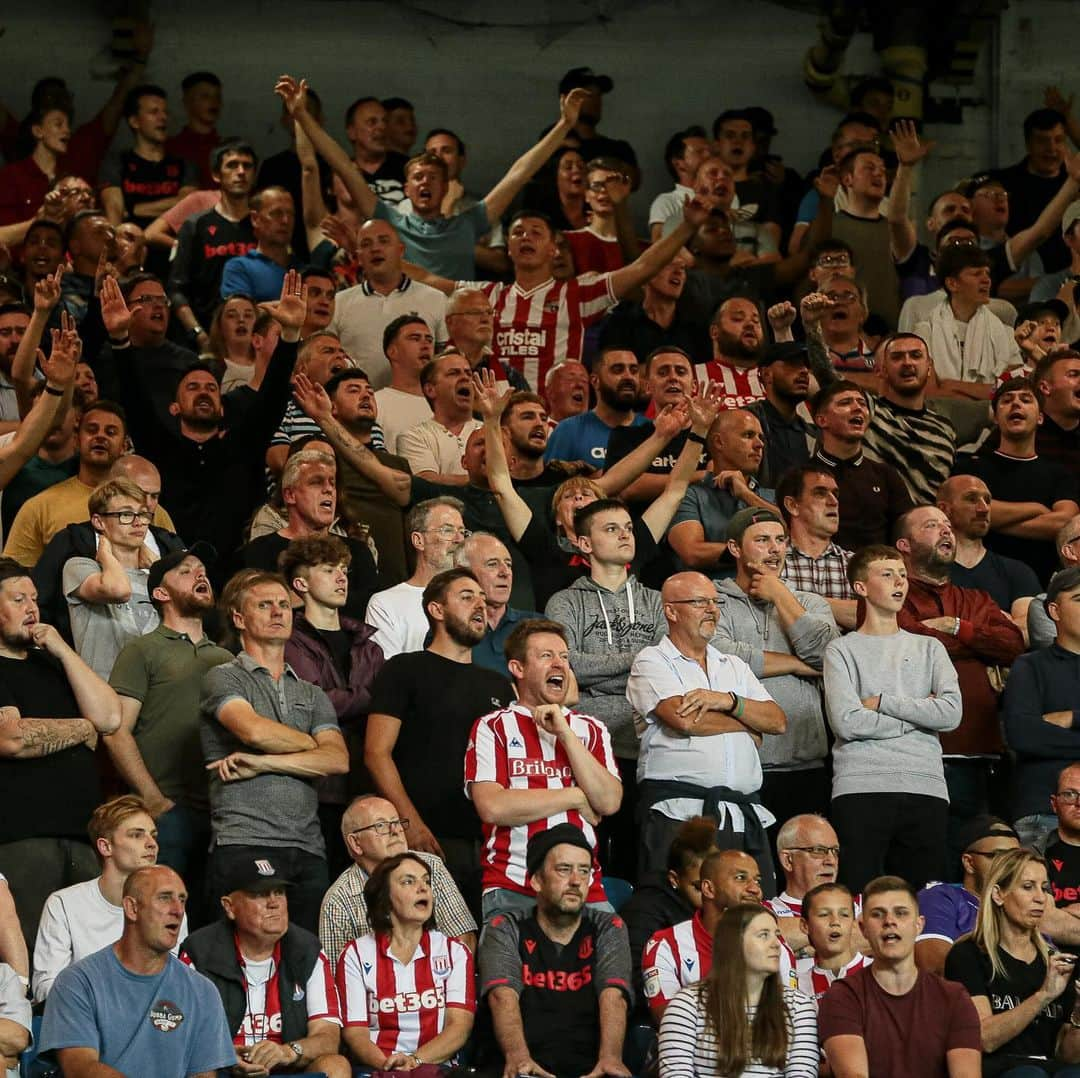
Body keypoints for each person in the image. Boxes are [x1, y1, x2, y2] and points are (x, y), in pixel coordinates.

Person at [99, 270, 306, 567]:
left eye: (211, 387)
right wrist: (120, 338)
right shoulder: (160, 447)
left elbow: (272, 399)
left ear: (223, 409)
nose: (204, 392)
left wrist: (289, 337)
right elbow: (135, 398)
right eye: (192, 388)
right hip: (168, 570)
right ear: (174, 407)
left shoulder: (242, 448)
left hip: (239, 574)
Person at [201, 570, 348, 932]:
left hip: (308, 845)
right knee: (243, 954)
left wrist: (263, 763)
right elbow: (252, 730)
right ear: (239, 618)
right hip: (245, 838)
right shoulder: (224, 676)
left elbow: (338, 760)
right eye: (264, 605)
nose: (278, 612)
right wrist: (312, 743)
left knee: (305, 957)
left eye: (284, 605)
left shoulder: (312, 693)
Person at [627, 571, 786, 886]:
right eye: (700, 602)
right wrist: (745, 726)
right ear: (671, 611)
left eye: (715, 602)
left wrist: (726, 701)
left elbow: (776, 721)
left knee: (748, 916)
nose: (712, 610)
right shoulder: (653, 661)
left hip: (741, 815)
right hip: (678, 814)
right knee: (676, 907)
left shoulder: (734, 666)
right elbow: (686, 721)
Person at [366, 567, 513, 902]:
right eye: (466, 596)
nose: (481, 604)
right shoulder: (404, 669)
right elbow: (376, 752)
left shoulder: (499, 684)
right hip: (427, 835)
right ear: (436, 609)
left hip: (490, 839)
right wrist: (409, 823)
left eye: (481, 597)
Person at [0, 556, 121, 957]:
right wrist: (80, 729)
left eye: (34, 598)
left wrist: (61, 648)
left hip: (81, 835)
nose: (32, 608)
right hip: (21, 837)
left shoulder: (51, 664)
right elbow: (12, 738)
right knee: (34, 956)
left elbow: (108, 717)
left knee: (88, 957)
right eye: (19, 599)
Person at [824, 545, 962, 893]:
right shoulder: (841, 649)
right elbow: (847, 722)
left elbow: (950, 713)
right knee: (859, 898)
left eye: (902, 575)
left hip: (924, 786)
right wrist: (918, 714)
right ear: (860, 587)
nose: (899, 582)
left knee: (924, 903)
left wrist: (885, 703)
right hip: (861, 787)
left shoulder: (930, 648)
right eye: (887, 574)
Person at [465, 619, 623, 919]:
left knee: (615, 960)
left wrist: (564, 732)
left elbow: (609, 801)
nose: (559, 664)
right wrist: (577, 797)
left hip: (587, 890)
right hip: (512, 886)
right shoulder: (492, 726)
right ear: (518, 668)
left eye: (564, 657)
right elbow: (493, 806)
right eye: (546, 656)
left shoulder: (591, 729)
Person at [895, 506, 1026, 846]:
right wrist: (979, 640)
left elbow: (1012, 644)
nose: (946, 531)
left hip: (987, 754)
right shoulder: (894, 598)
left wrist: (956, 626)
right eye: (931, 525)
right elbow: (909, 644)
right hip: (928, 755)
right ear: (904, 545)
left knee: (988, 859)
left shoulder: (976, 598)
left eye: (948, 525)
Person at [104, 546, 230, 893]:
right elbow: (116, 731)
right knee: (161, 909)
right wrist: (152, 798)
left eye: (202, 569)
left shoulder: (225, 658)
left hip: (222, 812)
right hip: (168, 810)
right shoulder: (143, 649)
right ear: (160, 592)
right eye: (186, 571)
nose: (200, 575)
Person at [37, 865, 236, 1078]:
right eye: (165, 898)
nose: (178, 910)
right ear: (132, 908)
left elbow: (203, 1075)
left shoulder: (202, 991)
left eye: (182, 899)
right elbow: (81, 1069)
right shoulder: (78, 982)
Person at [711, 507, 838, 828]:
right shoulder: (714, 600)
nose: (775, 548)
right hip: (740, 762)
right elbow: (722, 657)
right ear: (735, 548)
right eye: (763, 540)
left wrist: (780, 593)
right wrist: (796, 664)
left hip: (806, 764)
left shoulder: (809, 602)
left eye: (781, 540)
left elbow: (826, 655)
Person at [479, 824, 633, 1078]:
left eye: (584, 871)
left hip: (590, 1070)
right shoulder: (505, 927)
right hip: (520, 1069)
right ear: (536, 880)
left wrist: (611, 1058)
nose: (576, 881)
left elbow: (613, 995)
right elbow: (501, 996)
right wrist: (518, 1057)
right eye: (564, 869)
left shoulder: (609, 926)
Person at [180, 855, 349, 1078]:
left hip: (286, 1069)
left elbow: (328, 1036)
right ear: (229, 907)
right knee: (201, 1071)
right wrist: (225, 1055)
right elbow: (182, 1035)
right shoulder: (199, 953)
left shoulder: (308, 951)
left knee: (336, 1066)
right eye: (259, 894)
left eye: (279, 892)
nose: (274, 902)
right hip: (225, 1069)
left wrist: (288, 1051)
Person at [279, 534, 385, 874]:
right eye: (328, 570)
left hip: (365, 780)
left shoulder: (368, 643)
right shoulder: (288, 640)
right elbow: (315, 702)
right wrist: (372, 698)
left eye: (343, 569)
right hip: (318, 789)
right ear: (300, 583)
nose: (342, 577)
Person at [818, 874, 982, 1078]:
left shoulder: (954, 998)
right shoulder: (843, 996)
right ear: (863, 929)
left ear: (919, 925)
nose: (889, 922)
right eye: (878, 914)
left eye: (901, 913)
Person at [32, 795, 184, 1002]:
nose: (152, 844)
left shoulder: (171, 906)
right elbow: (45, 988)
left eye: (153, 835)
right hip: (81, 1021)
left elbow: (175, 981)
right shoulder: (63, 904)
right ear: (105, 847)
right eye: (137, 835)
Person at [944, 848, 1080, 1077]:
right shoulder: (968, 955)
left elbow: (1067, 1056)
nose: (1041, 898)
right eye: (1028, 887)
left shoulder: (1055, 961)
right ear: (998, 894)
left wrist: (1078, 1013)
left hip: (1049, 1068)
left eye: (1044, 888)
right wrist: (1043, 996)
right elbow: (983, 1038)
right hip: (997, 1068)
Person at [335, 851, 474, 1070]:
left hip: (437, 1069)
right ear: (385, 897)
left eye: (426, 881)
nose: (423, 887)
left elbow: (459, 1027)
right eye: (408, 881)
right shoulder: (355, 954)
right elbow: (356, 1033)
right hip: (377, 1069)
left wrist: (414, 1061)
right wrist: (389, 1065)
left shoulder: (455, 952)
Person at [657, 903, 818, 1078]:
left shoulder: (799, 1006)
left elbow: (802, 1075)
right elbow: (675, 1074)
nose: (776, 944)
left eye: (777, 935)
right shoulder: (687, 1004)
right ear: (733, 943)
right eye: (763, 935)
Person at [319, 795, 476, 974]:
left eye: (397, 822)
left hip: (439, 988)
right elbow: (338, 976)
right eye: (380, 825)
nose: (395, 831)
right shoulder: (338, 901)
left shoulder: (431, 867)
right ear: (356, 843)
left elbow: (463, 939)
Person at [956, 375, 1080, 586]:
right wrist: (1036, 508)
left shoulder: (1060, 474)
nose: (1016, 403)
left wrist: (988, 522)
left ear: (1040, 417)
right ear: (995, 417)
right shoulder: (969, 467)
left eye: (1025, 399)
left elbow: (1064, 524)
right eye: (1007, 400)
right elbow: (962, 511)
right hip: (974, 580)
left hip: (1042, 585)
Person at [239, 448, 379, 622]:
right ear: (290, 495)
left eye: (332, 483)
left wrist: (305, 598)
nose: (329, 490)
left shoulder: (357, 550)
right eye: (316, 482)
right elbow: (260, 608)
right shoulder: (261, 550)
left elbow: (370, 607)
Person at [643, 849, 776, 1021]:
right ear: (708, 888)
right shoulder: (667, 946)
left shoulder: (775, 945)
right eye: (741, 878)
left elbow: (786, 1020)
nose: (755, 889)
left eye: (757, 881)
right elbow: (671, 1021)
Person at [1005, 566, 1080, 847]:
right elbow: (1023, 734)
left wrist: (1072, 717)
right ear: (1054, 611)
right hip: (1043, 812)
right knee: (1037, 892)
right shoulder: (1030, 665)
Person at [329, 219, 448, 388]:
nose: (375, 249)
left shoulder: (435, 299)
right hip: (357, 408)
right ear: (359, 257)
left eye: (383, 241)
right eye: (366, 244)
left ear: (400, 250)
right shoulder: (338, 303)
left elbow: (443, 361)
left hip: (421, 405)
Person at [61, 477, 159, 679]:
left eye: (142, 514)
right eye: (125, 514)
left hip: (157, 691)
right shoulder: (80, 567)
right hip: (107, 692)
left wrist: (159, 570)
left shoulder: (156, 577)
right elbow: (119, 590)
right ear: (99, 522)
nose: (138, 522)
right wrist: (104, 552)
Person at [622, 817, 718, 1014]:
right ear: (675, 879)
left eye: (716, 885)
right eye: (700, 887)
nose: (710, 894)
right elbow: (636, 978)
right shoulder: (644, 909)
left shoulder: (725, 906)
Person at [167, 141, 258, 341]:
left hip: (257, 338)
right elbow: (176, 290)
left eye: (247, 165)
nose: (241, 171)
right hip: (208, 335)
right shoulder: (195, 225)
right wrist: (199, 335)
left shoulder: (264, 225)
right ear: (216, 175)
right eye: (232, 165)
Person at [666, 409, 775, 575]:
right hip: (712, 596)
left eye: (760, 437)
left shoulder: (771, 497)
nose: (760, 444)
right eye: (748, 435)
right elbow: (692, 553)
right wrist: (755, 552)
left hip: (769, 595)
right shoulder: (690, 496)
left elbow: (796, 537)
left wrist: (747, 495)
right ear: (719, 442)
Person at [808, 379, 914, 550]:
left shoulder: (886, 475)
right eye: (845, 403)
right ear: (822, 420)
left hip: (881, 569)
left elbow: (908, 531)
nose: (858, 408)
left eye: (862, 403)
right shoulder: (802, 475)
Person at [915, 816, 1022, 976]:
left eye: (1015, 858)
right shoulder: (941, 896)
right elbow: (935, 966)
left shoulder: (1024, 903)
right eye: (998, 856)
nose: (1008, 866)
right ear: (969, 863)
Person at [862, 332, 958, 505]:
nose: (907, 363)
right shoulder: (867, 409)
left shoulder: (945, 428)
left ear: (929, 367)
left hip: (932, 525)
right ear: (883, 370)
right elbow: (827, 380)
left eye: (916, 355)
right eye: (897, 357)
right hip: (879, 521)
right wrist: (812, 327)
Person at [364, 496, 466, 658]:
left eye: (462, 532)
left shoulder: (476, 599)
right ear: (419, 541)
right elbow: (388, 674)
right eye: (447, 530)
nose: (459, 539)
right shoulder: (385, 604)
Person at [938, 475, 1040, 634]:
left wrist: (955, 625)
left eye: (987, 500)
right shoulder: (928, 568)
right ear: (944, 509)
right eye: (971, 499)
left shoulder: (1017, 571)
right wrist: (999, 620)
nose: (983, 508)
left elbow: (1028, 632)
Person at [913, 245, 1022, 389]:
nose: (986, 280)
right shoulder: (925, 333)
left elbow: (1015, 389)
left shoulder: (1005, 334)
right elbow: (931, 392)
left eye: (987, 273)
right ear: (952, 284)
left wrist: (952, 385)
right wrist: (990, 390)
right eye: (977, 274)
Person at [99, 84, 198, 229]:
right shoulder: (116, 163)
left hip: (173, 248)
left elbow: (187, 203)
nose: (163, 117)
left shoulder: (184, 165)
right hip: (131, 247)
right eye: (154, 112)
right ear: (134, 121)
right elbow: (114, 210)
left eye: (165, 112)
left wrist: (134, 209)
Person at [776, 465, 857, 631]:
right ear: (792, 505)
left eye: (835, 494)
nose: (834, 502)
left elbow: (873, 616)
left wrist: (787, 599)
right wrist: (841, 611)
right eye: (820, 493)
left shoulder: (855, 563)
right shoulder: (772, 560)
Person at [457, 531, 542, 677]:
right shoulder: (449, 628)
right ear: (463, 572)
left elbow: (569, 688)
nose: (505, 572)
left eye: (508, 565)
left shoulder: (537, 625)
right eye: (492, 564)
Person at [766, 814, 852, 955]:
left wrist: (800, 949)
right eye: (818, 851)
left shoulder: (857, 905)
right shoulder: (765, 910)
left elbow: (879, 934)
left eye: (835, 851)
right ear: (788, 860)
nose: (831, 861)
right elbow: (758, 937)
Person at [546, 349, 647, 467]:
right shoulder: (568, 431)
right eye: (618, 370)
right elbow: (550, 484)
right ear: (595, 381)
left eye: (634, 371)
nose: (628, 376)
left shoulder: (653, 431)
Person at [398, 351, 482, 483]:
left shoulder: (492, 432)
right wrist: (489, 481)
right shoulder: (414, 437)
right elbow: (427, 482)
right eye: (454, 373)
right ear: (430, 390)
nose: (465, 378)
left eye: (468, 373)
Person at [747, 341, 816, 489]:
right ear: (767, 374)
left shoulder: (813, 434)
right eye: (793, 364)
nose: (804, 370)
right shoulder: (746, 420)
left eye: (806, 365)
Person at [797, 882, 871, 1003]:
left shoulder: (880, 974)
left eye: (844, 915)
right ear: (805, 925)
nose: (835, 921)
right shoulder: (798, 987)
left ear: (853, 923)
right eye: (824, 914)